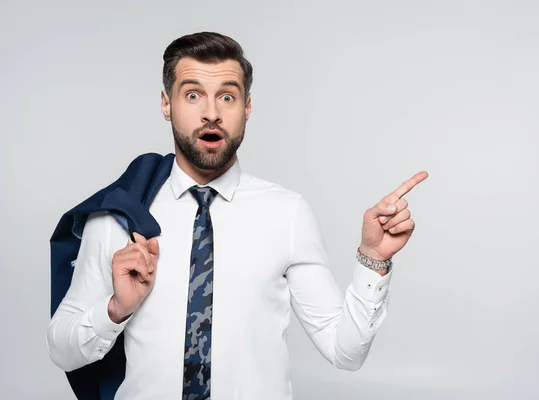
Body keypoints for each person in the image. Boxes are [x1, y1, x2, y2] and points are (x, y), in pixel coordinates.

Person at [46, 31, 428, 400]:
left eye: (227, 97)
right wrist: (115, 311)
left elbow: (346, 352)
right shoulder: (120, 217)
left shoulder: (287, 213)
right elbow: (62, 352)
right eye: (192, 94)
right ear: (166, 104)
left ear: (246, 107)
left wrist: (374, 261)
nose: (211, 113)